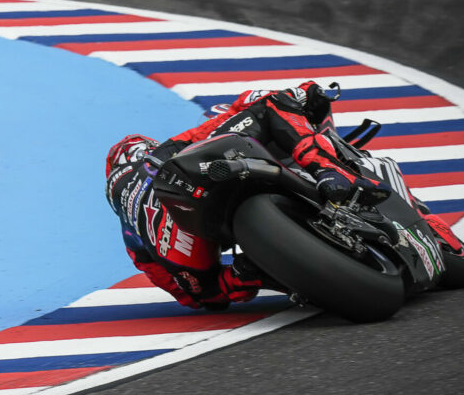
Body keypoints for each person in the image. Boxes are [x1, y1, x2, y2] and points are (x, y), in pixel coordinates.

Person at [104, 80, 394, 311]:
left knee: (208, 293)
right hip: (199, 189)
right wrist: (309, 93)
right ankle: (329, 170)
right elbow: (221, 123)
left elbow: (191, 297)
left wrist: (234, 280)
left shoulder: (128, 234)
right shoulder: (163, 152)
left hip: (181, 242)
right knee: (272, 105)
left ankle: (251, 273)